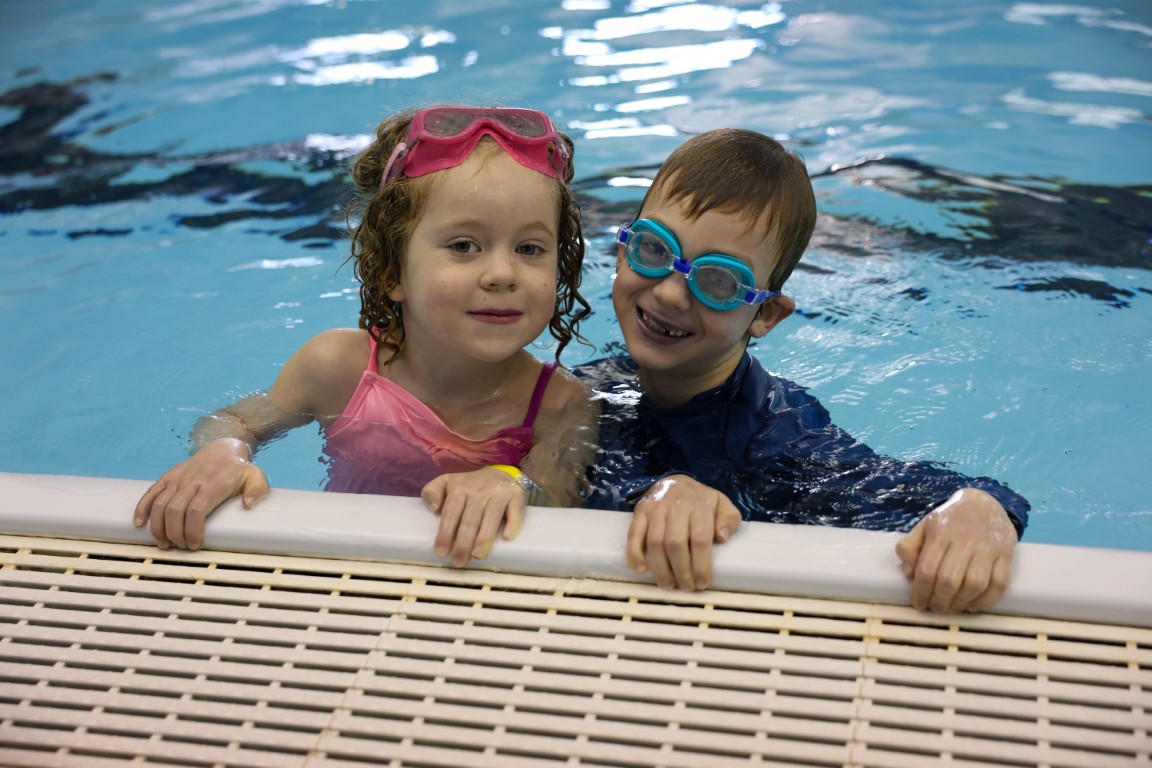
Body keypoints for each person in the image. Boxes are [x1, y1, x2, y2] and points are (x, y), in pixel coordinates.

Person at [575, 128, 1030, 614]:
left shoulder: (777, 439)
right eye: (654, 250)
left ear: (765, 315)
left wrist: (980, 509)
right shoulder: (591, 384)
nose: (669, 292)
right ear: (623, 249)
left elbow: (919, 494)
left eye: (719, 281)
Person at [134, 105, 598, 567]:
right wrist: (224, 452)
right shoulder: (338, 367)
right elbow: (236, 421)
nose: (502, 274)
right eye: (463, 246)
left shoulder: (560, 404)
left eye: (529, 248)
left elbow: (556, 496)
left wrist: (509, 480)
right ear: (393, 270)